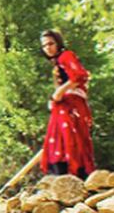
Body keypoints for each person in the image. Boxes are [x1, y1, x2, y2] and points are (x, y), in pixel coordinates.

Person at [39, 30, 95, 179]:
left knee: (70, 139)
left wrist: (59, 92)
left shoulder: (66, 56)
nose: (48, 48)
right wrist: (54, 98)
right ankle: (64, 180)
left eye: (51, 43)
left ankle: (77, 179)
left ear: (58, 43)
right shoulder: (57, 63)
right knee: (60, 140)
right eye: (44, 46)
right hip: (64, 104)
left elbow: (80, 76)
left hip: (72, 105)